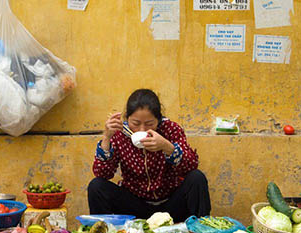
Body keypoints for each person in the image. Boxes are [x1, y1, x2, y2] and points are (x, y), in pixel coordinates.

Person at [87, 89, 210, 222]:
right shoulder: (119, 134)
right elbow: (102, 174)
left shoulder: (170, 129)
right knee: (96, 186)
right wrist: (106, 138)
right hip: (134, 205)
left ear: (158, 120)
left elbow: (191, 165)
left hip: (171, 204)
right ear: (127, 119)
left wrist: (167, 147)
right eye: (135, 123)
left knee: (197, 178)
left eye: (149, 124)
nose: (142, 129)